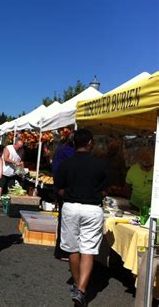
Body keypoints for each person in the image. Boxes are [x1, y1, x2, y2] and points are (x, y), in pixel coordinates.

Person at [55, 129, 108, 306]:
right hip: (92, 208)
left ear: (73, 143)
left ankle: (78, 285)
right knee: (88, 249)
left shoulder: (66, 164)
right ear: (90, 143)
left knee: (72, 248)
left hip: (71, 206)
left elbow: (59, 189)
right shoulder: (101, 165)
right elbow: (105, 190)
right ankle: (82, 289)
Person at [52, 133, 75, 261]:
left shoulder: (61, 149)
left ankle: (61, 250)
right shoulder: (68, 151)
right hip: (65, 190)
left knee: (63, 220)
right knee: (66, 222)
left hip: (60, 188)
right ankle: (63, 251)